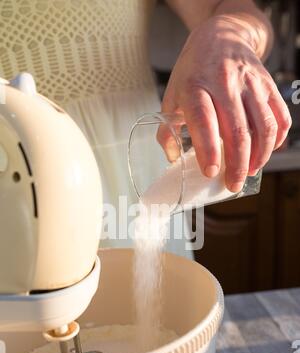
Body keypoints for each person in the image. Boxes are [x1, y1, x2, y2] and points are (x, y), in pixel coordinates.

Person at [0, 0, 291, 257]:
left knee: (159, 309)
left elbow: (232, 8)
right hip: (11, 180)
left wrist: (230, 32)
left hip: (134, 174)